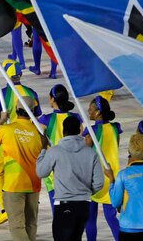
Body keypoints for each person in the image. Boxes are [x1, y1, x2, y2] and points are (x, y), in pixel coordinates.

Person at [0, 59, 42, 226]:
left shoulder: (1, 95)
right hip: (27, 141)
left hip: (6, 142)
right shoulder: (31, 93)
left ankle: (5, 209)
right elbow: (37, 119)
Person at [36, 115, 104, 241]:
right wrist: (84, 192)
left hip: (64, 206)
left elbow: (41, 172)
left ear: (63, 131)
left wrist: (43, 150)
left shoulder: (55, 151)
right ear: (79, 130)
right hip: (83, 206)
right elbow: (99, 182)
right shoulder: (90, 152)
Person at [108, 134, 143, 240]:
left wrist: (111, 180)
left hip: (129, 226)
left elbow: (115, 202)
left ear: (129, 152)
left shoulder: (123, 174)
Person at [39, 84, 82, 212]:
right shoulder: (76, 118)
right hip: (74, 168)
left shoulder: (45, 120)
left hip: (54, 171)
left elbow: (38, 141)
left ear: (53, 99)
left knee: (58, 211)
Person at [84, 96, 121, 241]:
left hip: (95, 178)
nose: (88, 111)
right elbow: (115, 148)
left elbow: (84, 154)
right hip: (112, 176)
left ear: (98, 112)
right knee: (111, 218)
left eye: (91, 109)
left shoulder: (92, 131)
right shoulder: (115, 128)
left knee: (90, 218)